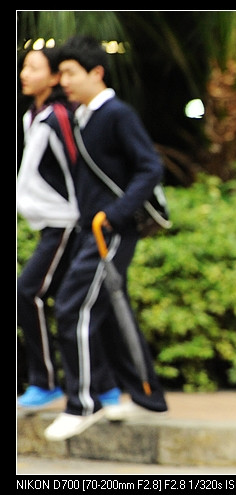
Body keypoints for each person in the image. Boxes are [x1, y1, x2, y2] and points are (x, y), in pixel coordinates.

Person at [42, 35, 168, 441]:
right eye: (60, 73)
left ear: (96, 72)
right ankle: (145, 396)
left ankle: (83, 402)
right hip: (93, 229)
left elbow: (149, 168)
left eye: (70, 73)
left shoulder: (116, 113)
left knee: (71, 308)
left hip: (109, 231)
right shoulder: (82, 116)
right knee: (109, 311)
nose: (63, 81)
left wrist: (111, 217)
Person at [16, 46, 121, 413]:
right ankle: (105, 387)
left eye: (33, 67)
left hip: (66, 222)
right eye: (23, 67)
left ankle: (45, 382)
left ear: (54, 77)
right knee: (69, 304)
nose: (24, 74)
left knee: (28, 292)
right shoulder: (34, 115)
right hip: (51, 224)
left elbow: (80, 165)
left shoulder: (60, 115)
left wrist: (86, 213)